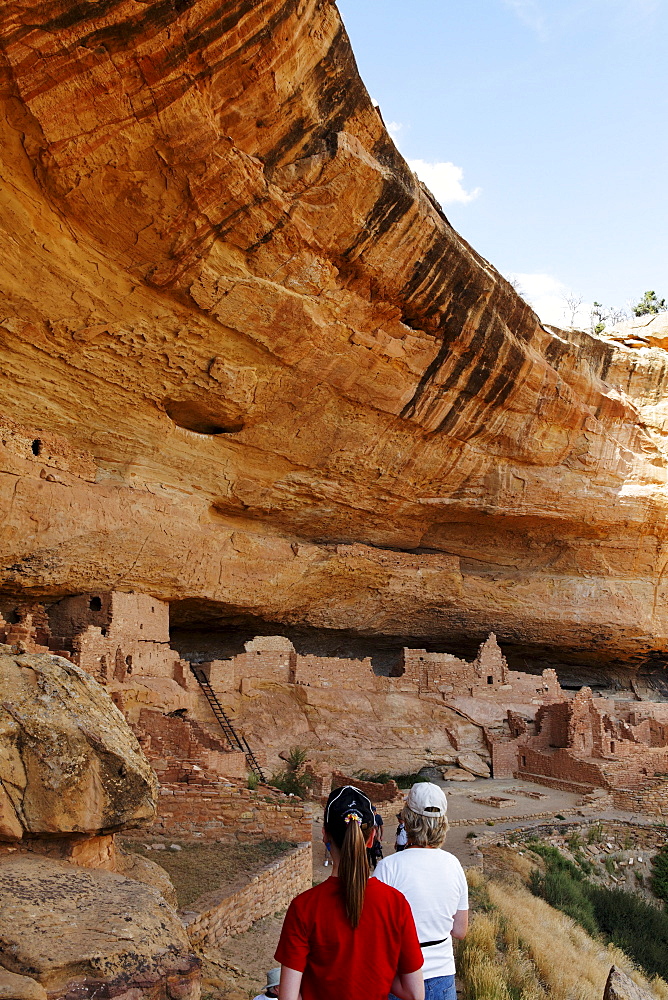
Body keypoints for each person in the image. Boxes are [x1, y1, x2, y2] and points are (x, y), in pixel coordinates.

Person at [275, 785, 425, 1000]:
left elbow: (288, 997)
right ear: (372, 837)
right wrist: (377, 971)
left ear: (325, 835)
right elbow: (414, 993)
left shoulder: (304, 907)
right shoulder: (394, 902)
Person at [373, 783, 468, 1000]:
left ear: (407, 820)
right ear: (442, 822)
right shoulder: (453, 864)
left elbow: (376, 932)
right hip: (442, 976)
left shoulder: (388, 867)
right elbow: (460, 930)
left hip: (400, 977)